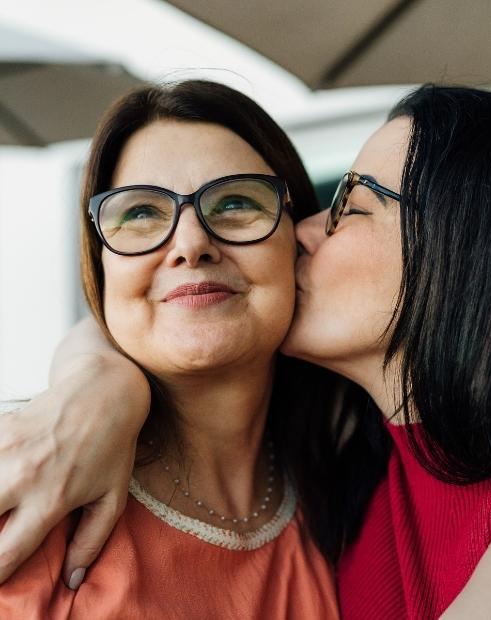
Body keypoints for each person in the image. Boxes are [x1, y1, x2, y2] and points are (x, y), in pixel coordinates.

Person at [2, 85, 491, 618]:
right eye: (138, 213)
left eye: (352, 204)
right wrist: (95, 381)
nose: (304, 231)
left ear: (476, 251)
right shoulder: (359, 463)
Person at [0, 80, 340, 618]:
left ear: (296, 241)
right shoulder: (26, 490)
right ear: (102, 266)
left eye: (235, 203)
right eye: (140, 213)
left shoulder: (352, 490)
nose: (190, 245)